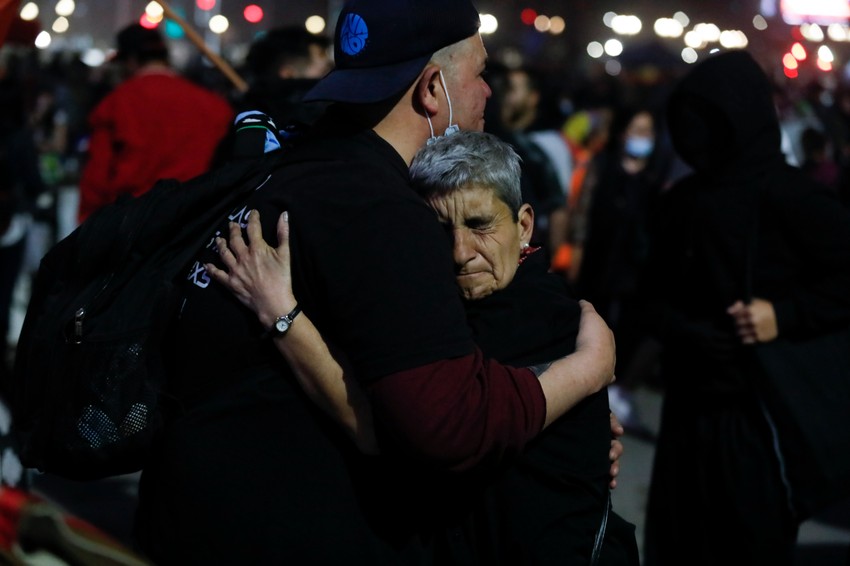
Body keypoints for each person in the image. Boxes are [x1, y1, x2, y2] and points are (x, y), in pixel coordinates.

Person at [133, 0, 618, 563]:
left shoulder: (294, 166)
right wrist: (584, 373)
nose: (489, 92)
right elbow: (445, 425)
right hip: (277, 532)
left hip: (187, 511)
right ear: (432, 88)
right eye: (480, 73)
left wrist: (562, 432)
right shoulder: (378, 212)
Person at [207, 131, 639, 565]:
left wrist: (282, 314)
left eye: (479, 225)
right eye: (437, 229)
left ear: (524, 224)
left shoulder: (542, 320)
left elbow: (385, 433)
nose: (459, 253)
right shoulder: (461, 307)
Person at [640, 50, 850, 566]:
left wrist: (784, 315)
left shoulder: (791, 197)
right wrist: (679, 329)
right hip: (689, 408)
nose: (695, 131)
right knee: (678, 545)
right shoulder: (680, 201)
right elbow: (650, 294)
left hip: (761, 416)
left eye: (710, 117)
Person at [77, 23, 233, 222]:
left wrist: (87, 229)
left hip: (130, 224)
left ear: (131, 61)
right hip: (194, 223)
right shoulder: (215, 106)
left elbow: (96, 179)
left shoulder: (116, 104)